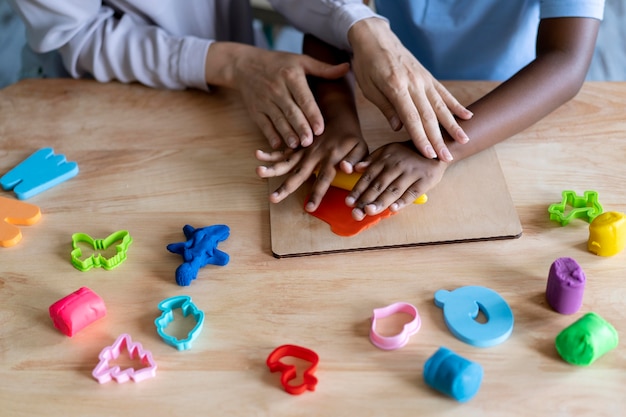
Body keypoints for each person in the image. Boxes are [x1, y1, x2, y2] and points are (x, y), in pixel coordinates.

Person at [257, 0, 605, 221]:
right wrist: (337, 114)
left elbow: (566, 62)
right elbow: (332, 16)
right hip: (382, 79)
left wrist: (440, 149)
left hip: (507, 95)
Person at [7, 0, 470, 160]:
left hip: (231, 82)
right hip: (102, 93)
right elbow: (80, 34)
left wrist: (361, 25)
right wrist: (228, 64)